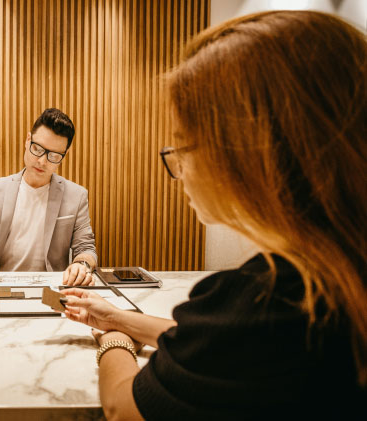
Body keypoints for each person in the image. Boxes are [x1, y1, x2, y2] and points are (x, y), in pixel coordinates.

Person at [61, 10, 366, 420]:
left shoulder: (272, 300)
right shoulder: (336, 271)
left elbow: (122, 407)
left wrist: (113, 338)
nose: (178, 170)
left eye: (183, 145)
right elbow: (219, 344)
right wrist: (119, 316)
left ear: (246, 152)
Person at [0, 108, 98, 286]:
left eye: (54, 156)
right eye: (37, 149)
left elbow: (86, 248)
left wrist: (82, 265)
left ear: (63, 156)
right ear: (28, 140)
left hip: (52, 288)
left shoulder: (76, 196)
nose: (42, 161)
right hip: (0, 283)